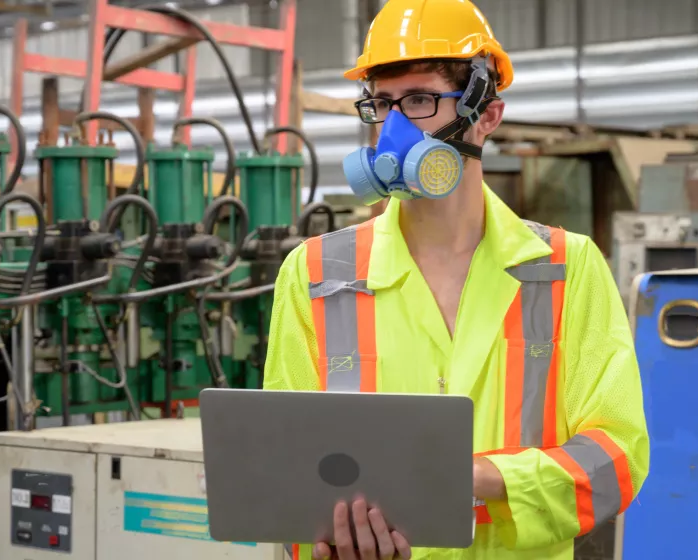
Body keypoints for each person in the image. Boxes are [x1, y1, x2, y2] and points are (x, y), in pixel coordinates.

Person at [263, 0, 650, 558]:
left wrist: (480, 478)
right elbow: (285, 463)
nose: (393, 128)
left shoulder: (568, 268)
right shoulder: (316, 274)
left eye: (420, 100)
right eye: (381, 103)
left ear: (486, 114)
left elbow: (618, 457)